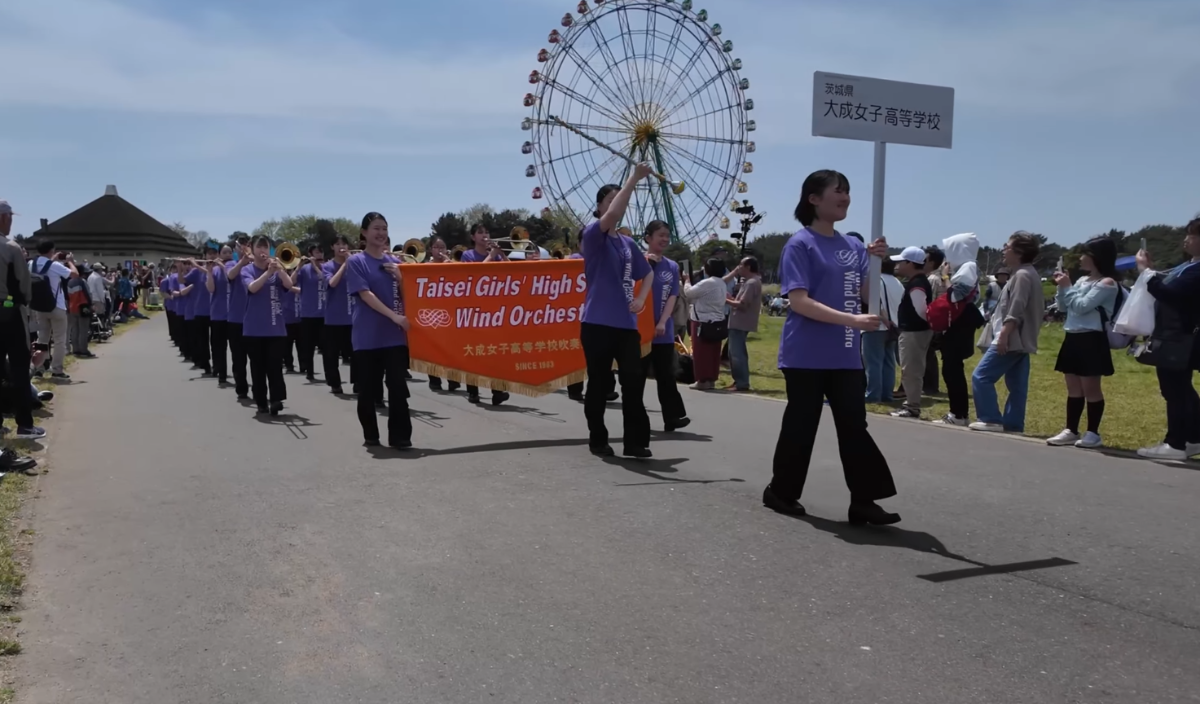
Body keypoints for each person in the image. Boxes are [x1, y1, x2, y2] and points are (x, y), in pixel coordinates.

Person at [763, 169, 899, 525]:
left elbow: (865, 296)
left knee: (855, 426)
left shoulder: (854, 246)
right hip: (805, 355)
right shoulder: (800, 244)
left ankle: (864, 501)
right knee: (802, 425)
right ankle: (781, 491)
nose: (846, 198)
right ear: (813, 198)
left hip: (845, 355)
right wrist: (852, 321)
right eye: (838, 191)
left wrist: (873, 262)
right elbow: (799, 301)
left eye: (848, 192)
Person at [580, 166, 655, 458]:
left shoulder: (627, 243)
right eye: (611, 199)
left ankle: (635, 441)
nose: (617, 204)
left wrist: (642, 299)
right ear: (600, 206)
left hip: (626, 325)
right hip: (596, 323)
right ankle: (598, 438)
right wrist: (633, 179)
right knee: (599, 383)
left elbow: (646, 273)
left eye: (620, 198)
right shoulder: (592, 235)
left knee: (633, 382)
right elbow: (611, 217)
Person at [1134, 218, 1200, 460]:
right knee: (1181, 388)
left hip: (1181, 337)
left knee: (1174, 389)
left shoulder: (1197, 270)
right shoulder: (1188, 266)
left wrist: (1145, 272)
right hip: (1174, 335)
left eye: (1192, 235)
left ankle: (1175, 444)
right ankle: (1192, 438)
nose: (1187, 239)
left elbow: (1169, 294)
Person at [1046, 236, 1120, 448]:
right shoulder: (1081, 281)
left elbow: (1081, 306)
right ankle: (1070, 429)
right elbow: (1063, 307)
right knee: (1073, 388)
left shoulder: (1107, 283)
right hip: (1073, 336)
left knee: (1091, 388)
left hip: (1092, 338)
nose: (1080, 258)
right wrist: (1062, 288)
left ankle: (1093, 432)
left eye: (1084, 254)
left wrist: (1068, 287)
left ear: (1096, 257)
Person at [346, 212, 412, 449]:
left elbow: (410, 298)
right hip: (367, 336)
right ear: (364, 232)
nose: (381, 233)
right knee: (367, 390)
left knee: (397, 386)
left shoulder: (397, 264)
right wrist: (394, 315)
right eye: (376, 228)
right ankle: (371, 435)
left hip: (394, 336)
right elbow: (365, 295)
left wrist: (402, 279)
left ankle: (400, 436)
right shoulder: (356, 262)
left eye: (384, 228)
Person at [970, 231, 1045, 433]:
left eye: (1008, 246)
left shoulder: (1021, 275)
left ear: (1019, 252)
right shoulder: (1029, 273)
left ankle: (990, 418)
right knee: (1017, 385)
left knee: (981, 376)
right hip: (1022, 340)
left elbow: (1017, 308)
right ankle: (1013, 424)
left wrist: (1004, 334)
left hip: (1012, 338)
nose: (1004, 250)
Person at [0, 199, 44, 442]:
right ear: (4, 218)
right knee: (18, 369)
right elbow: (24, 288)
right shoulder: (11, 247)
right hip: (8, 312)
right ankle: (25, 425)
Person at [641, 220, 689, 431]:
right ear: (648, 238)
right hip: (640, 332)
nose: (664, 239)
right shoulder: (637, 263)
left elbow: (672, 296)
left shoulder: (672, 266)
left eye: (667, 235)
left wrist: (662, 322)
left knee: (666, 375)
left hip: (663, 331)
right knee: (636, 376)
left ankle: (673, 417)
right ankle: (636, 420)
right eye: (660, 235)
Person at [454, 224, 510, 405]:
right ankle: (473, 391)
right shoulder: (467, 255)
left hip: (494, 312)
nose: (485, 236)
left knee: (496, 353)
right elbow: (475, 276)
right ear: (472, 237)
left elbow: (513, 274)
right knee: (474, 352)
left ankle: (498, 391)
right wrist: (491, 256)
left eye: (487, 232)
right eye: (480, 233)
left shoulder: (496, 256)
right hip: (474, 310)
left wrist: (502, 255)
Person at [932, 233, 984, 427]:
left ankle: (958, 414)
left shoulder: (967, 267)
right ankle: (958, 413)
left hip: (960, 322)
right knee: (951, 368)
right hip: (962, 320)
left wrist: (945, 277)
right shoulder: (968, 267)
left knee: (952, 369)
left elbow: (955, 296)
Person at [241, 236, 293, 415]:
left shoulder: (276, 267)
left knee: (275, 366)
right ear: (253, 250)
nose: (263, 250)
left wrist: (280, 271)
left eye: (266, 247)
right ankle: (261, 401)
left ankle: (277, 399)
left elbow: (289, 285)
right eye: (259, 247)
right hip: (253, 329)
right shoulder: (247, 270)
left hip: (276, 327)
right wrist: (267, 273)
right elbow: (252, 288)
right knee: (258, 367)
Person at [890, 246, 933, 419]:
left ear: (910, 263)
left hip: (914, 332)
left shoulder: (917, 284)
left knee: (911, 370)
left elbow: (922, 311)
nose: (898, 265)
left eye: (901, 261)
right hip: (915, 331)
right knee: (911, 369)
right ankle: (911, 404)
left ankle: (912, 406)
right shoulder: (919, 281)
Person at [28, 241, 76, 381]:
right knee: (59, 339)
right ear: (51, 250)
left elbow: (44, 268)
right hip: (56, 306)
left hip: (39, 307)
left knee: (42, 338)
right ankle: (57, 370)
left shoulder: (32, 264)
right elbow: (74, 274)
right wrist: (70, 261)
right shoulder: (55, 265)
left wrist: (53, 259)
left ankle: (38, 368)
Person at [683, 258, 729, 391]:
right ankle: (711, 378)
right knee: (713, 352)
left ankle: (702, 379)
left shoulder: (708, 282)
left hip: (702, 320)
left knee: (700, 352)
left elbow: (689, 292)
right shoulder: (721, 283)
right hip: (717, 319)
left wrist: (687, 280)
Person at [862, 256, 903, 403]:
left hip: (877, 324)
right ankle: (887, 394)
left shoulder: (875, 281)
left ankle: (872, 394)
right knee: (888, 362)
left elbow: (874, 301)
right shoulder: (898, 283)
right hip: (894, 327)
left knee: (873, 362)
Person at [320, 235, 355, 395]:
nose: (341, 247)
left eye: (344, 243)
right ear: (332, 247)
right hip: (333, 318)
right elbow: (332, 283)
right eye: (338, 244)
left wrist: (351, 263)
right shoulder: (327, 266)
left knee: (357, 353)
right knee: (331, 355)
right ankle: (335, 383)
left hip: (353, 317)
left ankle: (359, 383)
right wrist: (345, 265)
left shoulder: (355, 264)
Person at [725, 255, 763, 392]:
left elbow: (743, 304)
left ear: (748, 267)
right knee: (737, 352)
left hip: (740, 323)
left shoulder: (751, 283)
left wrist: (727, 301)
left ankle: (741, 383)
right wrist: (732, 299)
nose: (738, 268)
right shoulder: (752, 282)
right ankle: (739, 381)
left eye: (741, 265)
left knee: (736, 354)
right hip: (741, 322)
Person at [225, 239, 254, 399]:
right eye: (241, 247)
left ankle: (259, 390)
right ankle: (242, 388)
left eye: (247, 246)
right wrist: (242, 262)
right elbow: (230, 275)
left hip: (255, 319)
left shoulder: (259, 265)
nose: (244, 249)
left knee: (257, 359)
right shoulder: (231, 264)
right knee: (239, 358)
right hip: (236, 319)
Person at [294, 242, 326, 383]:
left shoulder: (328, 268)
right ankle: (309, 371)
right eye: (316, 253)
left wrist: (316, 266)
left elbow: (326, 281)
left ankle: (329, 374)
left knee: (326, 347)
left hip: (325, 314)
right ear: (311, 254)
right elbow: (291, 282)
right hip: (308, 313)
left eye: (320, 252)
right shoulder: (305, 270)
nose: (319, 255)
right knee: (308, 346)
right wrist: (299, 266)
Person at [206, 245, 232, 385]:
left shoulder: (236, 266)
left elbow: (231, 277)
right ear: (220, 254)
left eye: (229, 252)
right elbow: (211, 289)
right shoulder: (215, 269)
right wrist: (209, 272)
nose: (227, 254)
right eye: (224, 252)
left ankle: (239, 375)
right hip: (218, 314)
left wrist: (223, 267)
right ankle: (221, 372)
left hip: (233, 315)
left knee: (236, 349)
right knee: (218, 346)